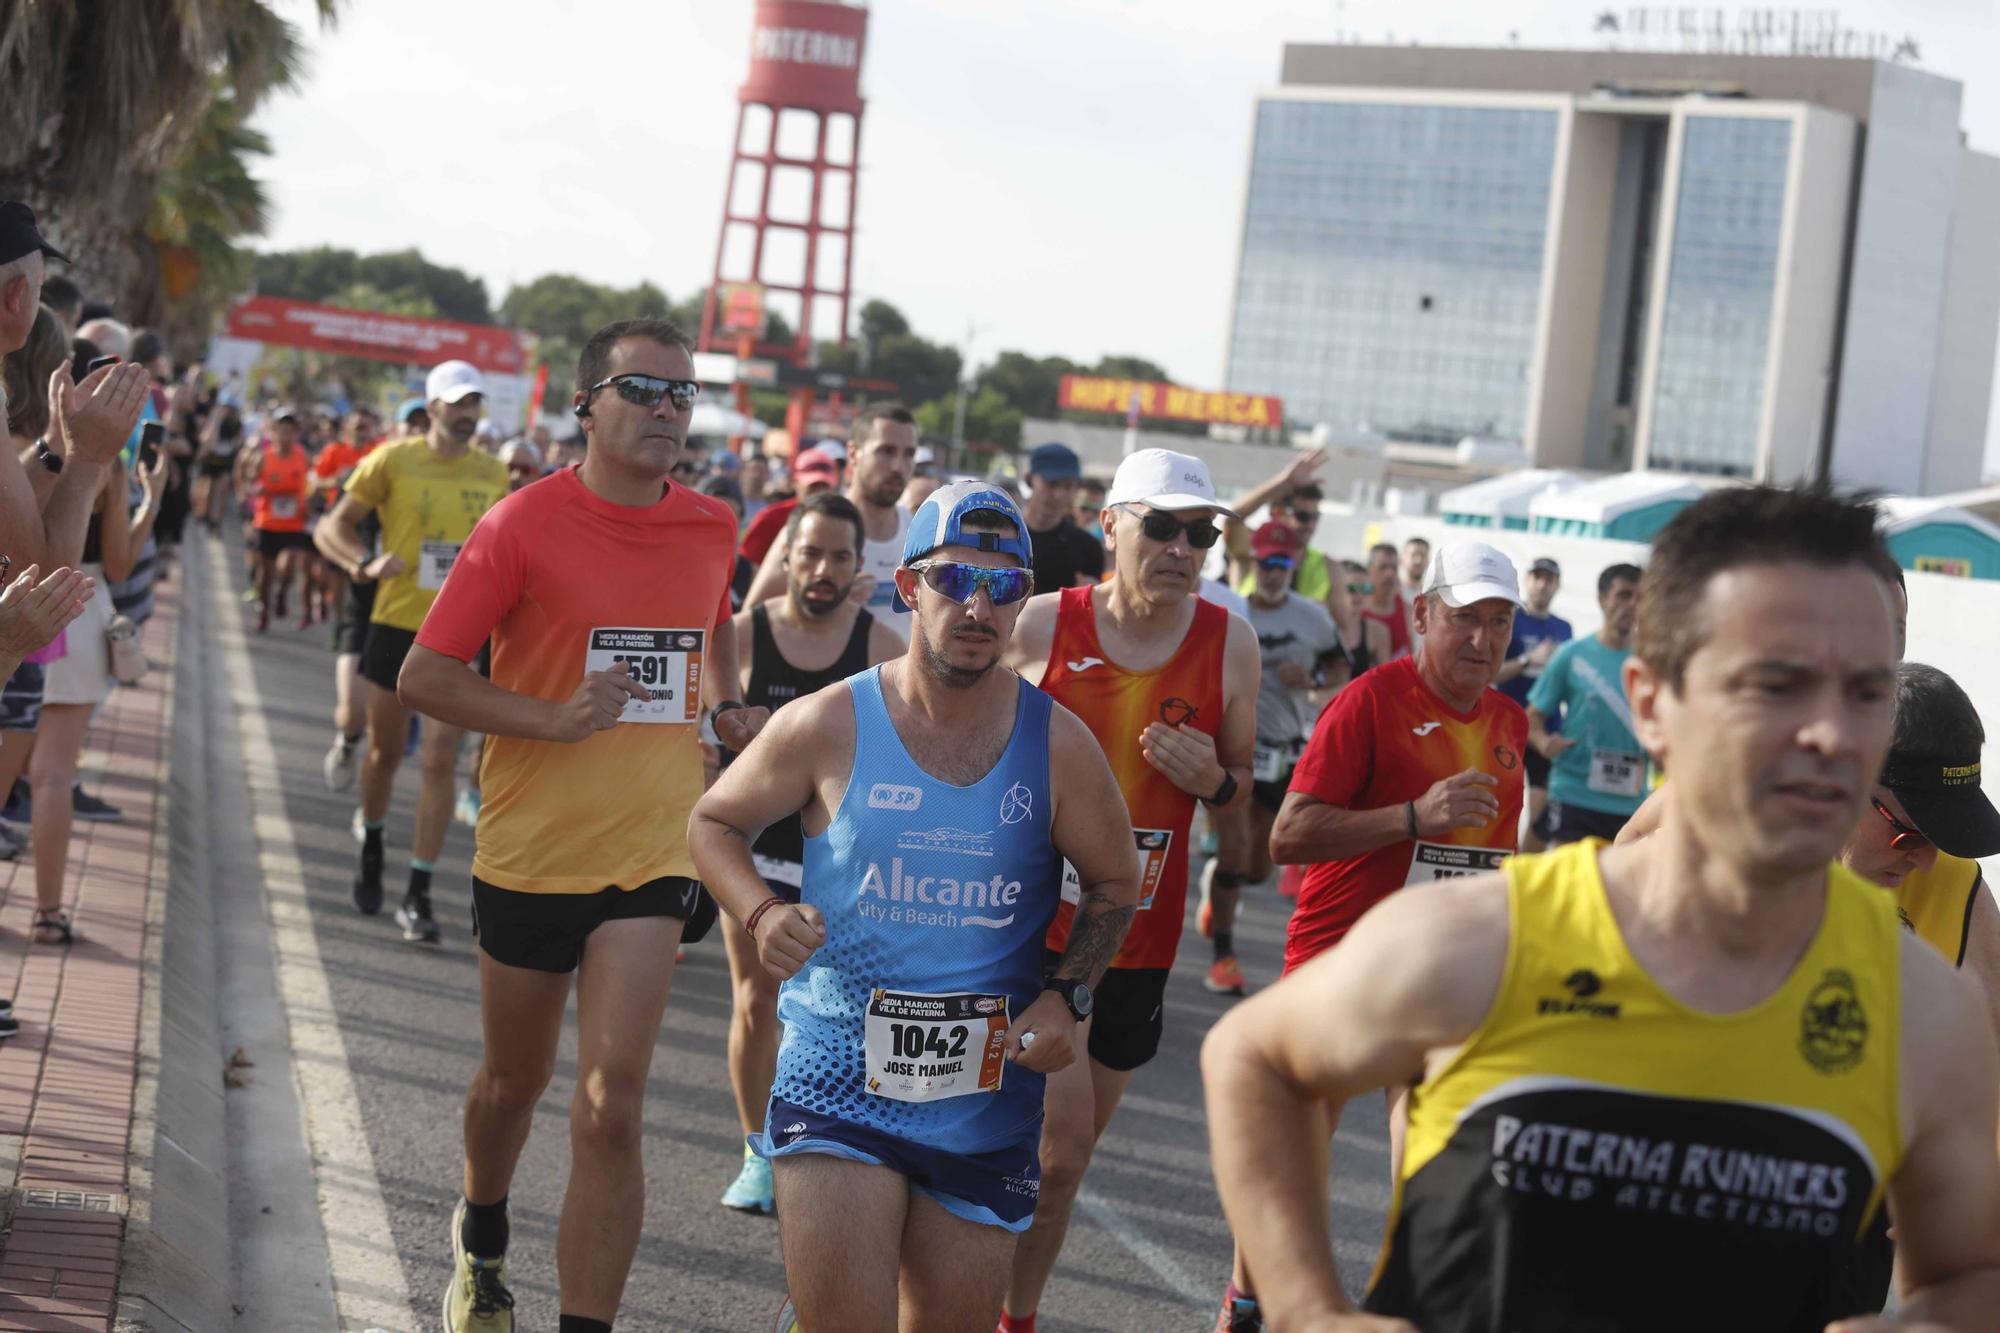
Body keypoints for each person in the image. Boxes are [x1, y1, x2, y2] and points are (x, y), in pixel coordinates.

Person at [1205, 485, 2000, 1331]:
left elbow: (1969, 1276)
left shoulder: (1921, 1006)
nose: (1830, 735)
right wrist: (1304, 1306)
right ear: (1653, 704)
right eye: (1777, 684)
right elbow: (1254, 1062)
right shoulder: (1487, 940)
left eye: (1867, 692)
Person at [689, 481, 1141, 1333]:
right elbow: (714, 819)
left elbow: (1118, 883)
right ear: (908, 587)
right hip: (836, 1078)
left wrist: (1068, 993)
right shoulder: (830, 722)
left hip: (984, 1095)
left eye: (1004, 586)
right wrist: (757, 912)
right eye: (954, 579)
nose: (978, 605)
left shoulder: (1059, 745)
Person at [399, 317, 753, 1333]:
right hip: (529, 849)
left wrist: (724, 704)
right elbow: (427, 674)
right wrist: (552, 719)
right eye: (641, 390)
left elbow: (711, 620)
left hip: (650, 847)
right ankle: (481, 1232)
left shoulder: (709, 525)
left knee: (613, 1101)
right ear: (586, 406)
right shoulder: (519, 523)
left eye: (680, 394)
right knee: (516, 1082)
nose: (664, 411)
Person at [1208, 540, 1525, 1330]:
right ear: (1422, 614)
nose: (1482, 641)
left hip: (1444, 976)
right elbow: (1288, 834)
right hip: (1340, 963)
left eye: (1499, 621)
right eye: (1463, 619)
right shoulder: (1369, 701)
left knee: (1433, 1161)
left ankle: (1408, 1306)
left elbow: (1495, 860)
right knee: (1295, 1163)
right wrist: (1411, 818)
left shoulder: (1510, 721)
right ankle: (1246, 1299)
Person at [996, 447, 1259, 1333]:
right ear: (1111, 525)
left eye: (1203, 532)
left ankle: (1009, 1311)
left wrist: (1219, 787)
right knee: (1057, 1151)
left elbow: (1250, 840)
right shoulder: (1037, 626)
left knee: (1062, 1164)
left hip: (1137, 944)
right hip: (1022, 930)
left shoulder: (1232, 644)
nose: (1186, 548)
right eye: (1165, 526)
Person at [713, 490, 906, 1217]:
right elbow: (704, 738)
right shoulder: (742, 634)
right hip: (760, 844)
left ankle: (839, 1147)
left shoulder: (883, 646)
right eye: (811, 553)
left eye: (839, 557)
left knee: (842, 1005)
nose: (823, 568)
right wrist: (729, 729)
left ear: (859, 567)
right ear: (786, 557)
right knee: (762, 995)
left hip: (846, 856)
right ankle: (758, 1149)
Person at [315, 360, 509, 944]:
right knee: (384, 752)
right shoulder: (392, 460)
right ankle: (372, 843)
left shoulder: (493, 473)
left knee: (440, 760)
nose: (466, 415)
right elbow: (333, 526)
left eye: (474, 404)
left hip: (459, 634)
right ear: (432, 409)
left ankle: (418, 891)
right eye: (456, 405)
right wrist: (363, 564)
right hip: (396, 624)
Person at [1199, 522, 1346, 998]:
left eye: (1283, 564)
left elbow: (1341, 669)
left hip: (1280, 752)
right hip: (1229, 750)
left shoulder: (1314, 619)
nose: (1274, 573)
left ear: (1294, 568)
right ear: (1254, 562)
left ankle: (1217, 888)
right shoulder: (1229, 610)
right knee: (1235, 852)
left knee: (1258, 868)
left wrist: (1312, 681)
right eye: (1267, 563)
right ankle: (1224, 956)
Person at [746, 406, 916, 640]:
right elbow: (752, 617)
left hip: (898, 675)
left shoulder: (918, 531)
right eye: (886, 451)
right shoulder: (814, 524)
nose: (898, 466)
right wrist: (827, 601)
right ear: (854, 454)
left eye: (908, 454)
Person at [1524, 562, 1645, 846]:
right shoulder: (1571, 656)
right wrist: (1543, 743)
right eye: (1623, 595)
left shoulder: (1652, 662)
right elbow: (1532, 718)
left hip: (1630, 804)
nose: (1632, 605)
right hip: (1574, 795)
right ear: (1603, 599)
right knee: (1568, 886)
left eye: (1640, 598)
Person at [1497, 556, 1573, 851]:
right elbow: (1492, 673)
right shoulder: (1511, 618)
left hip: (1544, 729)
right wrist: (1529, 659)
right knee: (1502, 805)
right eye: (1537, 577)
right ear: (1527, 581)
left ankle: (1524, 875)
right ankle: (1497, 870)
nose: (1542, 584)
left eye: (1549, 579)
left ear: (1556, 586)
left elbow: (1568, 682)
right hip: (1508, 725)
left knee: (1541, 812)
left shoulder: (1563, 628)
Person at [240, 408, 314, 632]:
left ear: (296, 434)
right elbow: (249, 484)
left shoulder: (303, 457)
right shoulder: (263, 457)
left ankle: (282, 593)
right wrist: (257, 489)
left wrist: (308, 502)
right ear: (273, 433)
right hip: (267, 522)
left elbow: (311, 484)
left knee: (288, 567)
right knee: (266, 573)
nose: (286, 436)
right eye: (281, 431)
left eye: (290, 432)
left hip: (293, 522)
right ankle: (264, 611)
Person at [1019, 443, 1104, 593]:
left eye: (1068, 486)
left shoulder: (1087, 548)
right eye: (1052, 484)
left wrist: (1090, 595)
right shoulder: (1004, 537)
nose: (1058, 495)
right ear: (1029, 480)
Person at [740, 446, 839, 568]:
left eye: (824, 485)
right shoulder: (771, 518)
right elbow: (745, 565)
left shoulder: (840, 523)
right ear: (794, 481)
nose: (819, 492)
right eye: (812, 485)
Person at [1357, 541, 1413, 661]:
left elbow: (1412, 656)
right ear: (1369, 569)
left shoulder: (1408, 609)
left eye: (1394, 568)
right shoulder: (1357, 608)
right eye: (1383, 567)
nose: (1389, 573)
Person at [1399, 534, 1430, 602]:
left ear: (1428, 561)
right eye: (1413, 555)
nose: (1418, 560)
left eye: (1423, 555)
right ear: (1402, 560)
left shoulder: (1432, 595)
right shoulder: (1394, 593)